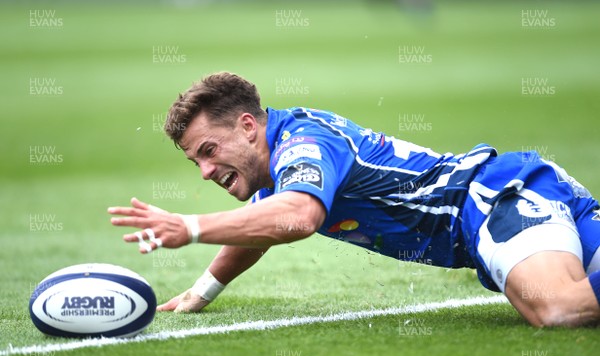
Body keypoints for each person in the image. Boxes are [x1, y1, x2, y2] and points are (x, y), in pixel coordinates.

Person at [108, 72, 600, 327]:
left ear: (247, 125)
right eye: (196, 162)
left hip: (495, 199)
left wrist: (188, 228)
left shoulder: (303, 142)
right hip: (512, 199)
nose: (205, 172)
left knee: (559, 310)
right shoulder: (278, 156)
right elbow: (263, 222)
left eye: (209, 152)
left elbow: (298, 217)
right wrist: (202, 292)